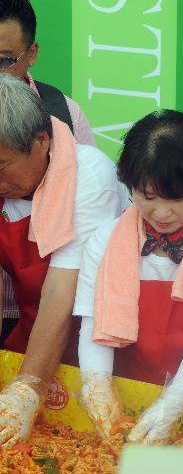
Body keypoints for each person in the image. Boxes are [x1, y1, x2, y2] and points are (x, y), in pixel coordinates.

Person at [72, 110, 183, 443]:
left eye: (177, 199)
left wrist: (174, 401)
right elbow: (93, 326)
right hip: (129, 398)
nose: (162, 214)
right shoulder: (107, 240)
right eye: (147, 197)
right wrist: (97, 388)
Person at [0, 73, 126, 447]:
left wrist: (27, 387)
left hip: (97, 338)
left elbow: (62, 289)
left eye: (2, 167)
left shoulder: (88, 176)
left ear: (41, 142)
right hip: (32, 327)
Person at [0, 0, 97, 344]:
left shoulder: (64, 115)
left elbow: (86, 225)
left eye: (3, 60)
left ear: (32, 54)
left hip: (51, 310)